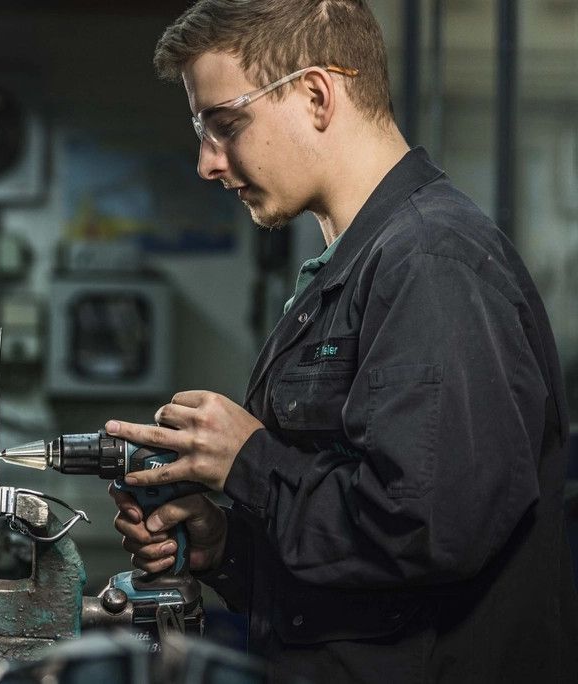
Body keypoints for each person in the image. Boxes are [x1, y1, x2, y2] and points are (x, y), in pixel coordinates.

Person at [106, 1, 578, 682]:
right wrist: (226, 547)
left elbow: (430, 531)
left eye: (225, 125)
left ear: (317, 94)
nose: (208, 162)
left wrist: (249, 461)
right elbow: (357, 573)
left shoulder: (430, 263)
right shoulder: (351, 269)